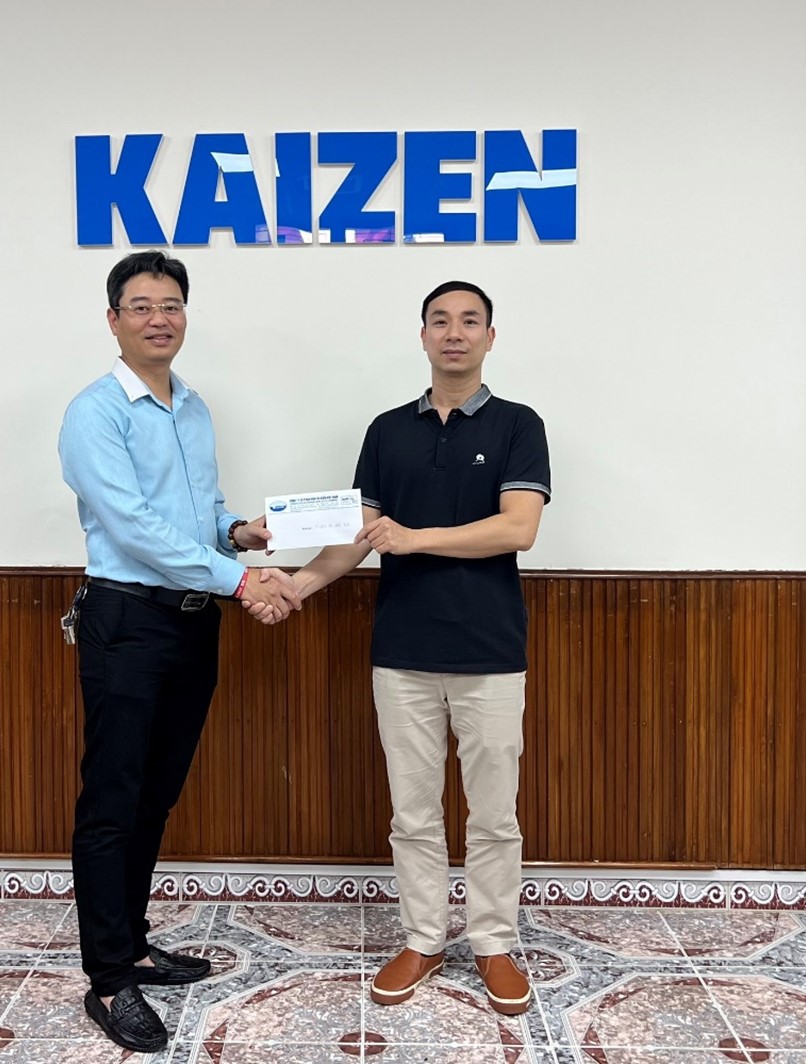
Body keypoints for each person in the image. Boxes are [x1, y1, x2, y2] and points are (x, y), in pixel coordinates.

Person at [272, 280, 550, 1016]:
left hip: (491, 652)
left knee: (494, 815)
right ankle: (423, 938)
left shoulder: (519, 424)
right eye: (440, 321)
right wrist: (294, 586)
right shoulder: (387, 431)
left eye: (469, 321)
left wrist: (414, 537)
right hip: (400, 653)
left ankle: (492, 943)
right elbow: (355, 539)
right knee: (413, 814)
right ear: (422, 335)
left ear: (490, 337)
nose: (454, 332)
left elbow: (518, 528)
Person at [59, 250, 300, 1052]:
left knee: (155, 795)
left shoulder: (192, 407)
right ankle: (108, 978)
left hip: (193, 622)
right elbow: (133, 529)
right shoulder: (95, 413)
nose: (158, 318)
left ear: (184, 315)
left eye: (170, 305)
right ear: (113, 320)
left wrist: (239, 533)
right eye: (140, 306)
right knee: (112, 800)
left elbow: (197, 515)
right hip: (127, 621)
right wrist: (243, 579)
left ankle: (132, 944)